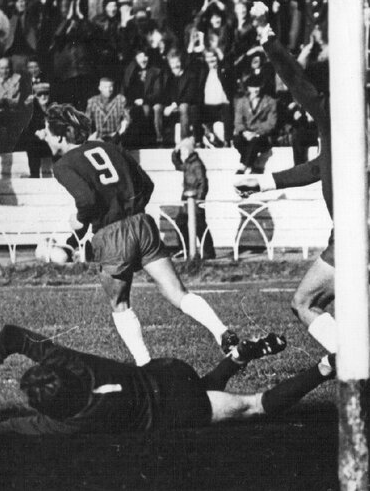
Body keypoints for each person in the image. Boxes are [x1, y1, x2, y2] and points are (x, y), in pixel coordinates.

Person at [233, 25, 370, 411]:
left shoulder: (332, 115)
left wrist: (269, 40)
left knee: (304, 302)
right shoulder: (352, 127)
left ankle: (350, 359)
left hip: (354, 235)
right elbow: (318, 167)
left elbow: (296, 81)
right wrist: (265, 182)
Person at [36, 103, 242, 366]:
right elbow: (147, 184)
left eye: (47, 133)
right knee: (177, 291)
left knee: (120, 304)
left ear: (61, 136)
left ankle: (145, 364)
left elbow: (86, 201)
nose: (45, 138)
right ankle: (221, 331)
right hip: (142, 224)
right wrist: (131, 210)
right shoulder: (110, 147)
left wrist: (78, 221)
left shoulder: (63, 165)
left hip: (111, 235)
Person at [0, 323, 322, 437]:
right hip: (170, 371)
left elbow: (10, 427)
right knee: (205, 389)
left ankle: (325, 368)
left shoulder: (67, 422)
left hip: (178, 407)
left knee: (254, 406)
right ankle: (238, 356)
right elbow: (12, 335)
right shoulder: (71, 362)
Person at [172, 135, 215, 259]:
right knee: (182, 223)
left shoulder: (196, 164)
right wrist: (175, 151)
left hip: (195, 200)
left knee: (200, 226)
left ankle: (208, 252)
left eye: (184, 150)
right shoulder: (188, 163)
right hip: (187, 199)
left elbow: (203, 182)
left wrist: (198, 200)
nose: (183, 153)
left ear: (189, 150)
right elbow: (177, 165)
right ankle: (185, 249)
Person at [232, 75, 278, 174]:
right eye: (253, 87)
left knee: (255, 142)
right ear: (248, 88)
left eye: (258, 86)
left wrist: (256, 132)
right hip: (246, 133)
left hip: (261, 134)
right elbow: (238, 121)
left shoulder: (270, 102)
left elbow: (271, 123)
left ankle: (244, 166)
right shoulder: (242, 101)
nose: (256, 90)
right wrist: (244, 132)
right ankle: (254, 165)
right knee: (237, 141)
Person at [85, 76, 131, 143]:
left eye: (111, 87)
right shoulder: (92, 101)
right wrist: (90, 137)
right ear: (100, 88)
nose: (109, 90)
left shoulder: (120, 99)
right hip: (98, 138)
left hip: (116, 138)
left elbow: (127, 119)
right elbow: (87, 122)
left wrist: (119, 133)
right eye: (105, 87)